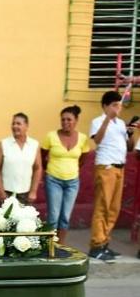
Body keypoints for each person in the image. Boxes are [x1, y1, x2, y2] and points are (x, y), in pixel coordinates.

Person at [88, 91, 134, 262]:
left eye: (119, 105)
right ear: (105, 106)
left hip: (119, 167)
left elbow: (128, 147)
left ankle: (104, 243)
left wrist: (129, 133)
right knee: (102, 207)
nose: (118, 108)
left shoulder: (121, 123)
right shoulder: (97, 121)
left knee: (113, 209)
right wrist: (108, 118)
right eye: (114, 105)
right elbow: (98, 140)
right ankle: (96, 245)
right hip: (105, 167)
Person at [41, 105, 90, 246]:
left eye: (69, 119)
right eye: (63, 120)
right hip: (53, 180)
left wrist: (72, 170)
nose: (65, 123)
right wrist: (50, 171)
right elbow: (43, 156)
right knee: (53, 217)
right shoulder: (51, 136)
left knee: (65, 217)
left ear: (76, 121)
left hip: (72, 182)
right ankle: (49, 245)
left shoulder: (83, 138)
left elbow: (83, 159)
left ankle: (60, 245)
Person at [0, 113, 42, 204]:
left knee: (26, 218)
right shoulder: (4, 144)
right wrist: (0, 191)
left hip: (26, 194)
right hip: (6, 193)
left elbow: (38, 168)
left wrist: (33, 191)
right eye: (13, 123)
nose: (15, 126)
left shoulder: (34, 144)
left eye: (18, 124)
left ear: (26, 126)